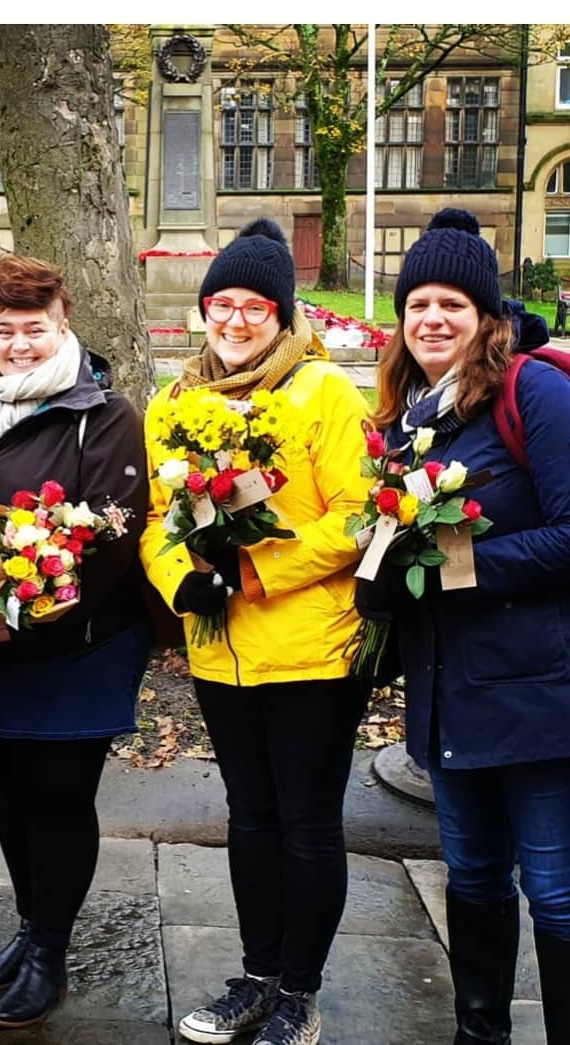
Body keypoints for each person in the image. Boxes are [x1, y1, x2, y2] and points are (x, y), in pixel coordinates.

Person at [141, 220, 370, 1045]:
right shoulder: (174, 404)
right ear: (204, 311)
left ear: (284, 315)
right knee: (250, 816)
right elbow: (154, 525)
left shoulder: (323, 394)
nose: (236, 321)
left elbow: (356, 518)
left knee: (307, 822)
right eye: (223, 304)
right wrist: (183, 581)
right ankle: (258, 972)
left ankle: (299, 993)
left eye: (256, 306)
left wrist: (255, 572)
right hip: (222, 651)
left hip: (311, 646)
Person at [0, 254, 152, 1029]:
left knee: (55, 793)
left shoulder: (103, 411)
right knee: (12, 787)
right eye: (6, 329)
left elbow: (115, 532)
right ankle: (29, 927)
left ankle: (49, 951)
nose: (21, 344)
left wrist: (27, 600)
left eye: (37, 328)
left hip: (72, 642)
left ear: (65, 325)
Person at [357, 208, 570, 1045]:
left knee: (553, 888)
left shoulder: (535, 392)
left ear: (487, 317)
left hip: (538, 697)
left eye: (452, 303)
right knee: (474, 875)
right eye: (418, 304)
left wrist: (459, 569)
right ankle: (478, 1034)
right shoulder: (413, 418)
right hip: (448, 697)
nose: (432, 319)